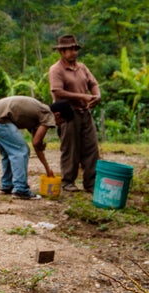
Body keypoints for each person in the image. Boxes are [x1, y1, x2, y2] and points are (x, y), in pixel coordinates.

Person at [0, 96, 74, 200]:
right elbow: (36, 143)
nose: (58, 125)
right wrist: (39, 144)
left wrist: (47, 169)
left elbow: (37, 146)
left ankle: (7, 185)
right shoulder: (48, 115)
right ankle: (21, 190)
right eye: (61, 122)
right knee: (21, 151)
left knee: (9, 152)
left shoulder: (39, 114)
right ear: (57, 115)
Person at [48, 34, 102, 193]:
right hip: (67, 113)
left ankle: (91, 183)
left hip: (84, 112)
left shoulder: (82, 67)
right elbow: (57, 91)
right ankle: (68, 181)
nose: (73, 52)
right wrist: (82, 96)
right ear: (62, 52)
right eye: (69, 49)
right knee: (70, 148)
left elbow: (93, 83)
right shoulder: (56, 69)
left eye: (75, 49)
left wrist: (97, 95)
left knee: (91, 148)